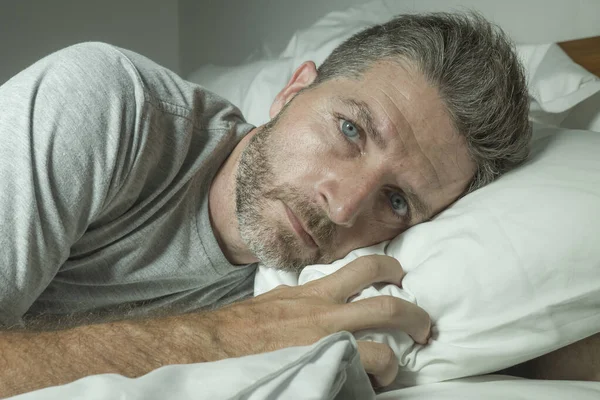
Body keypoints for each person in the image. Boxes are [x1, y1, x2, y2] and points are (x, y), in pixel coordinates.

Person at [0, 11, 544, 397]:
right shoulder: (110, 105)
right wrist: (223, 338)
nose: (343, 208)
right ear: (293, 90)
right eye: (351, 129)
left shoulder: (331, 287)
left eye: (397, 200)